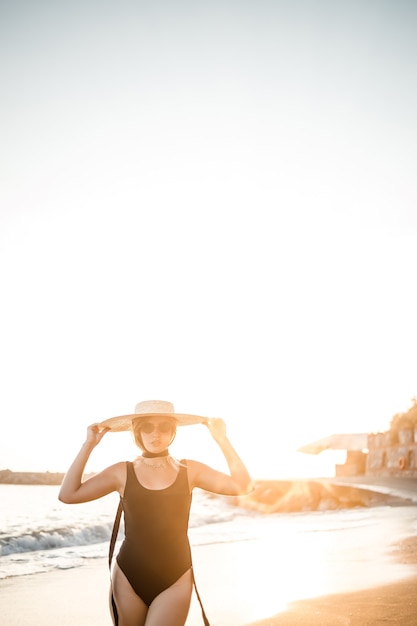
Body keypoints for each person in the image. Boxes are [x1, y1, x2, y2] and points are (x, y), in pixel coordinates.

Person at [58, 400, 253, 626]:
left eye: (164, 427)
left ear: (173, 432)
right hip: (128, 576)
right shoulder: (122, 471)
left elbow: (243, 486)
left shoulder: (190, 470)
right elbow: (68, 495)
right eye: (147, 427)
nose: (156, 434)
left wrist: (222, 440)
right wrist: (88, 445)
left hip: (176, 577)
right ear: (137, 431)